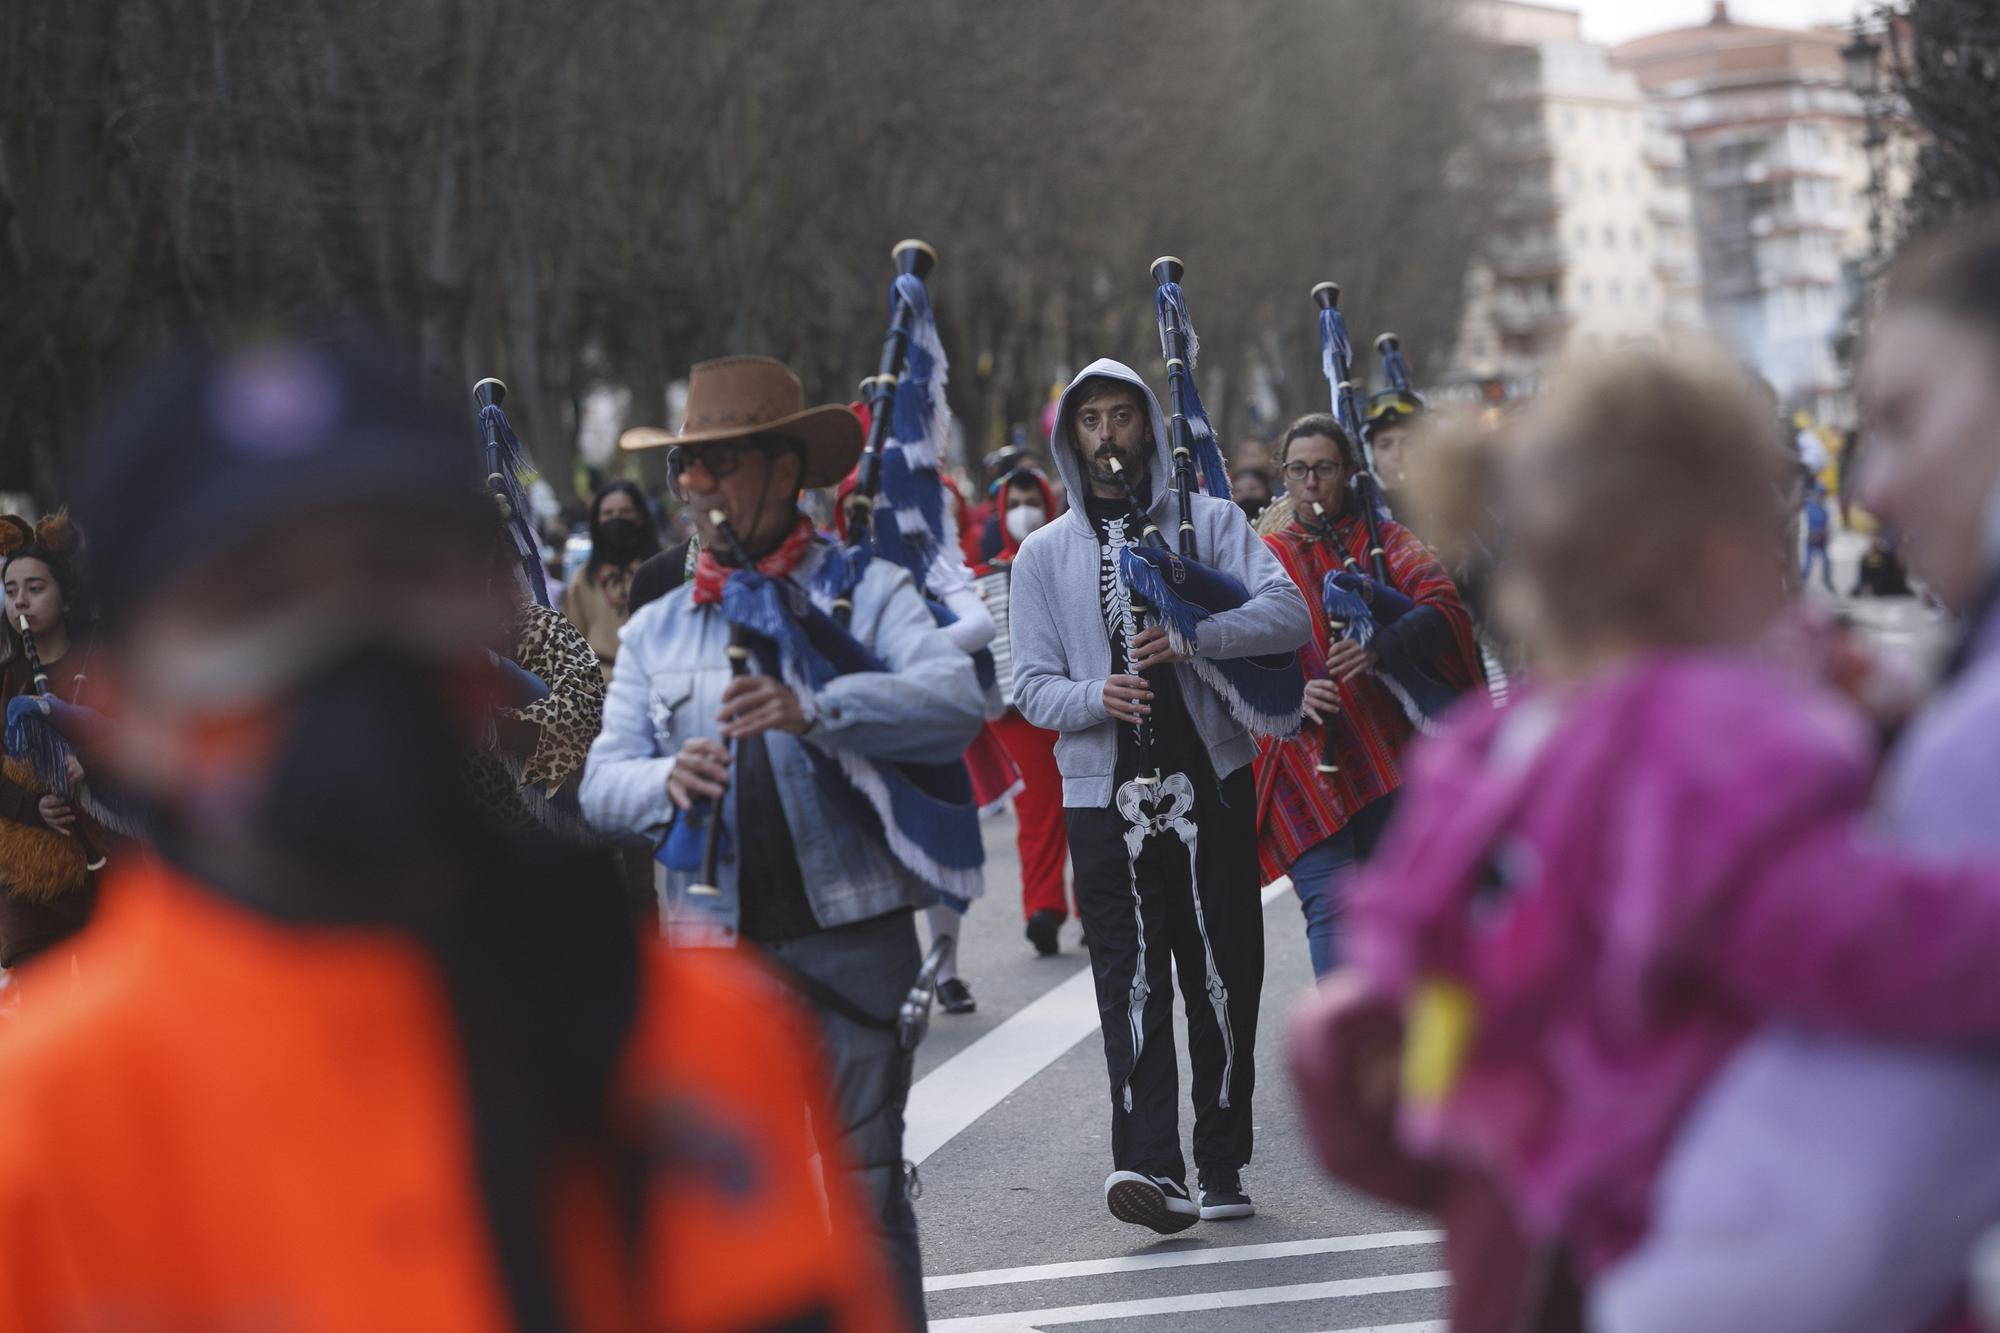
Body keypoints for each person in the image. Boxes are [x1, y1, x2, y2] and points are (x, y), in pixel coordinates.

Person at [0, 334, 906, 1331]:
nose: (344, 643)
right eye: (255, 599)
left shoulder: (689, 1035)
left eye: (399, 568)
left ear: (481, 615)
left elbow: (575, 729)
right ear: (135, 693)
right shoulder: (42, 1125)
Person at [1321, 343, 2000, 1332]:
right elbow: (1835, 928)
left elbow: (1410, 1017)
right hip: (1686, 1219)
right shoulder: (1692, 745)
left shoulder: (1496, 753)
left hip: (1533, 1233)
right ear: (1722, 557)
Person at [582, 354, 985, 1326]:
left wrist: (816, 708)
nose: (693, 487)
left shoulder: (864, 589)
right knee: (733, 1215)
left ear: (783, 470)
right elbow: (598, 783)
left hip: (853, 943)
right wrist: (660, 780)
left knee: (863, 1196)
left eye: (717, 464)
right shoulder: (654, 627)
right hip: (712, 963)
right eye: (687, 464)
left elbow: (953, 704)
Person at [1010, 358, 1311, 1232]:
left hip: (1210, 782)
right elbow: (1029, 683)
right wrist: (1093, 695)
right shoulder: (1041, 555)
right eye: (1091, 421)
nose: (1108, 436)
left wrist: (1195, 634)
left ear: (1146, 426)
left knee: (1222, 975)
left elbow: (1289, 613)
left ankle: (1220, 1160)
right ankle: (1150, 1167)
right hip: (1104, 796)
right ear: (1073, 440)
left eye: (1121, 417)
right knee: (1130, 981)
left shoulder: (1210, 523)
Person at [1253, 414, 1477, 978]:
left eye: (1324, 468)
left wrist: (1379, 647)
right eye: (1299, 469)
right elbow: (1231, 657)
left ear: (1349, 472)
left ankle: (1398, 1043)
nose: (1311, 483)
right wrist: (1291, 696)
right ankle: (1350, 1051)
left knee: (1394, 909)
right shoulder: (1262, 558)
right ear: (1284, 475)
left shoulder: (1381, 543)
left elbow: (1444, 610)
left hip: (1387, 759)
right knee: (1330, 910)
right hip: (1301, 764)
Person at [831, 462, 1000, 1014]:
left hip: (925, 722)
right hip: (862, 725)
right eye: (864, 501)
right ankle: (894, 971)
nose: (875, 511)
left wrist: (908, 653)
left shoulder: (938, 561)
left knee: (939, 840)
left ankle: (945, 969)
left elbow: (978, 628)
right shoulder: (832, 570)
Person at [0, 513, 108, 979]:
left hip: (106, 869)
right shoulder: (6, 678)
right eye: (10, 590)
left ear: (64, 597)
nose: (20, 600)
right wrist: (33, 806)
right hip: (30, 882)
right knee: (43, 1009)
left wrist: (93, 767)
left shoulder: (103, 665)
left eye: (35, 588)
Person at [977, 467, 1074, 955]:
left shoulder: (1068, 556)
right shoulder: (982, 578)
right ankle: (1043, 907)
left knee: (1089, 804)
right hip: (1015, 713)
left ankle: (1097, 905)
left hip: (1072, 699)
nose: (1022, 509)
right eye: (1013, 501)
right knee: (1036, 811)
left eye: (1030, 498)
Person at [560, 478, 661, 680]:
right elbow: (570, 642)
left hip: (657, 678)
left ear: (640, 516)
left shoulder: (661, 569)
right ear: (597, 521)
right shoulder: (582, 579)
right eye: (608, 513)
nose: (617, 519)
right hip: (602, 684)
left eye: (625, 512)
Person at [1802, 482, 1835, 593]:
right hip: (1811, 539)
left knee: (1826, 562)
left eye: (1823, 495)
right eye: (1819, 494)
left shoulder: (1825, 509)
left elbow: (1827, 525)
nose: (1821, 497)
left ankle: (1827, 580)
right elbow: (1804, 523)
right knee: (1808, 563)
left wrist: (1826, 536)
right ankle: (1801, 584)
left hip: (1821, 540)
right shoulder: (1809, 507)